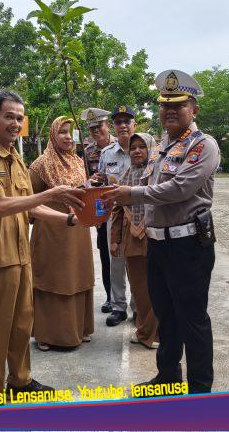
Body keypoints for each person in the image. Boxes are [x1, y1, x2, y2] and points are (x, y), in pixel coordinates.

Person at [103, 69, 221, 394]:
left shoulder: (203, 145)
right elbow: (146, 182)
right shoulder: (161, 145)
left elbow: (179, 188)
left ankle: (200, 390)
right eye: (165, 105)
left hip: (188, 245)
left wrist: (131, 194)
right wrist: (115, 190)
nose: (169, 111)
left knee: (192, 319)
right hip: (157, 246)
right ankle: (168, 378)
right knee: (165, 316)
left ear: (193, 110)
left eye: (178, 105)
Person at [0, 89, 87, 399]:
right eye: (9, 116)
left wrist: (68, 219)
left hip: (21, 251)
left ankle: (20, 381)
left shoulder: (16, 158)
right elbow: (0, 206)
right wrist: (52, 193)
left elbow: (30, 206)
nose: (16, 123)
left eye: (20, 118)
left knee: (22, 321)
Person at [28, 116, 95, 351]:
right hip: (51, 232)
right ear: (53, 134)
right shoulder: (41, 164)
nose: (68, 137)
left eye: (70, 132)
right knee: (51, 278)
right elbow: (29, 200)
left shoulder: (78, 161)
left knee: (77, 275)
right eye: (62, 132)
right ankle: (46, 334)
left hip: (78, 230)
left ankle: (79, 328)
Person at [109, 132, 160, 350]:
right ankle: (144, 331)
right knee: (139, 288)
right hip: (131, 238)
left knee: (156, 287)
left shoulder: (157, 175)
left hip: (154, 237)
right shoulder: (126, 176)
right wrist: (115, 239)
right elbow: (118, 210)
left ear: (151, 149)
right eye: (133, 148)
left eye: (142, 147)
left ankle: (156, 334)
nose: (137, 151)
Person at [92, 106, 134, 327]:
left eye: (127, 121)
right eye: (118, 122)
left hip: (138, 214)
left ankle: (138, 307)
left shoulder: (144, 148)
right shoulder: (106, 153)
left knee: (137, 262)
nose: (123, 125)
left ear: (134, 124)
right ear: (113, 126)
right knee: (116, 261)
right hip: (114, 215)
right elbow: (101, 185)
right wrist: (100, 216)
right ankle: (119, 307)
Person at [80, 107, 114, 314]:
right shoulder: (88, 152)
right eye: (92, 127)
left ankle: (134, 301)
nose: (95, 130)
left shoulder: (124, 144)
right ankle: (111, 297)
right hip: (101, 211)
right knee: (105, 256)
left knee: (128, 255)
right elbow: (85, 181)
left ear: (107, 125)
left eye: (99, 126)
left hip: (123, 208)